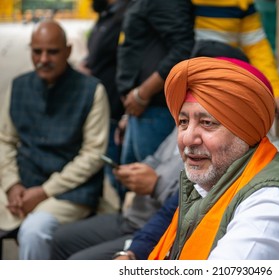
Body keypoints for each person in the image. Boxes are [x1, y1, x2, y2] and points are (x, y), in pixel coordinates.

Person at [147, 57, 279, 260]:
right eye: (183, 121)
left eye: (207, 123)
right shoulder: (210, 182)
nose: (188, 138)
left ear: (244, 132)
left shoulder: (271, 209)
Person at [0, 19, 110, 259]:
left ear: (68, 51)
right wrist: (11, 185)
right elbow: (5, 141)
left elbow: (93, 155)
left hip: (69, 193)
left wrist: (44, 191)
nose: (43, 59)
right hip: (21, 185)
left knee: (33, 232)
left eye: (52, 52)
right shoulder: (19, 86)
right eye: (37, 51)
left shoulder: (92, 91)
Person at [50, 127, 182, 260]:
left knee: (78, 261)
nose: (188, 134)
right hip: (131, 217)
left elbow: (179, 209)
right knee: (59, 238)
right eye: (184, 121)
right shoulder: (178, 130)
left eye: (203, 122)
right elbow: (155, 160)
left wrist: (156, 185)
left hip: (150, 228)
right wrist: (134, 172)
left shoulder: (199, 155)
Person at [115, 0, 194, 174]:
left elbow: (182, 49)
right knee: (132, 181)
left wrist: (143, 93)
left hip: (155, 109)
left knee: (151, 183)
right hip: (140, 110)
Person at [191, 0, 279, 112]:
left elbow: (256, 48)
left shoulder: (242, 2)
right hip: (183, 82)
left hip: (223, 86)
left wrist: (274, 89)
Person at [77, 0, 129, 202]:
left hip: (114, 106)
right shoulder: (108, 14)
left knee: (115, 171)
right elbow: (99, 55)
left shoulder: (124, 16)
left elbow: (124, 60)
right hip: (99, 105)